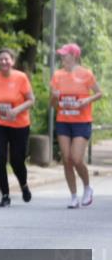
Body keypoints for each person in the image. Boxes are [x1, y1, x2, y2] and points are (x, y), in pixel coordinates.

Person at [49, 43, 103, 208]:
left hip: (81, 121)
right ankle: (73, 196)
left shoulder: (86, 74)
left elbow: (99, 93)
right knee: (66, 159)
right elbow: (53, 105)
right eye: (62, 54)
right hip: (63, 121)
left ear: (74, 56)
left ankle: (87, 188)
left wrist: (87, 100)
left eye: (65, 54)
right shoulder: (57, 75)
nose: (62, 57)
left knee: (76, 158)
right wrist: (55, 97)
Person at [0, 48, 35, 207]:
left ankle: (23, 185)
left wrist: (16, 110)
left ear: (13, 61)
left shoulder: (21, 77)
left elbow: (31, 100)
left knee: (17, 160)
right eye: (0, 59)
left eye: (7, 59)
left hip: (19, 125)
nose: (3, 62)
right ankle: (5, 195)